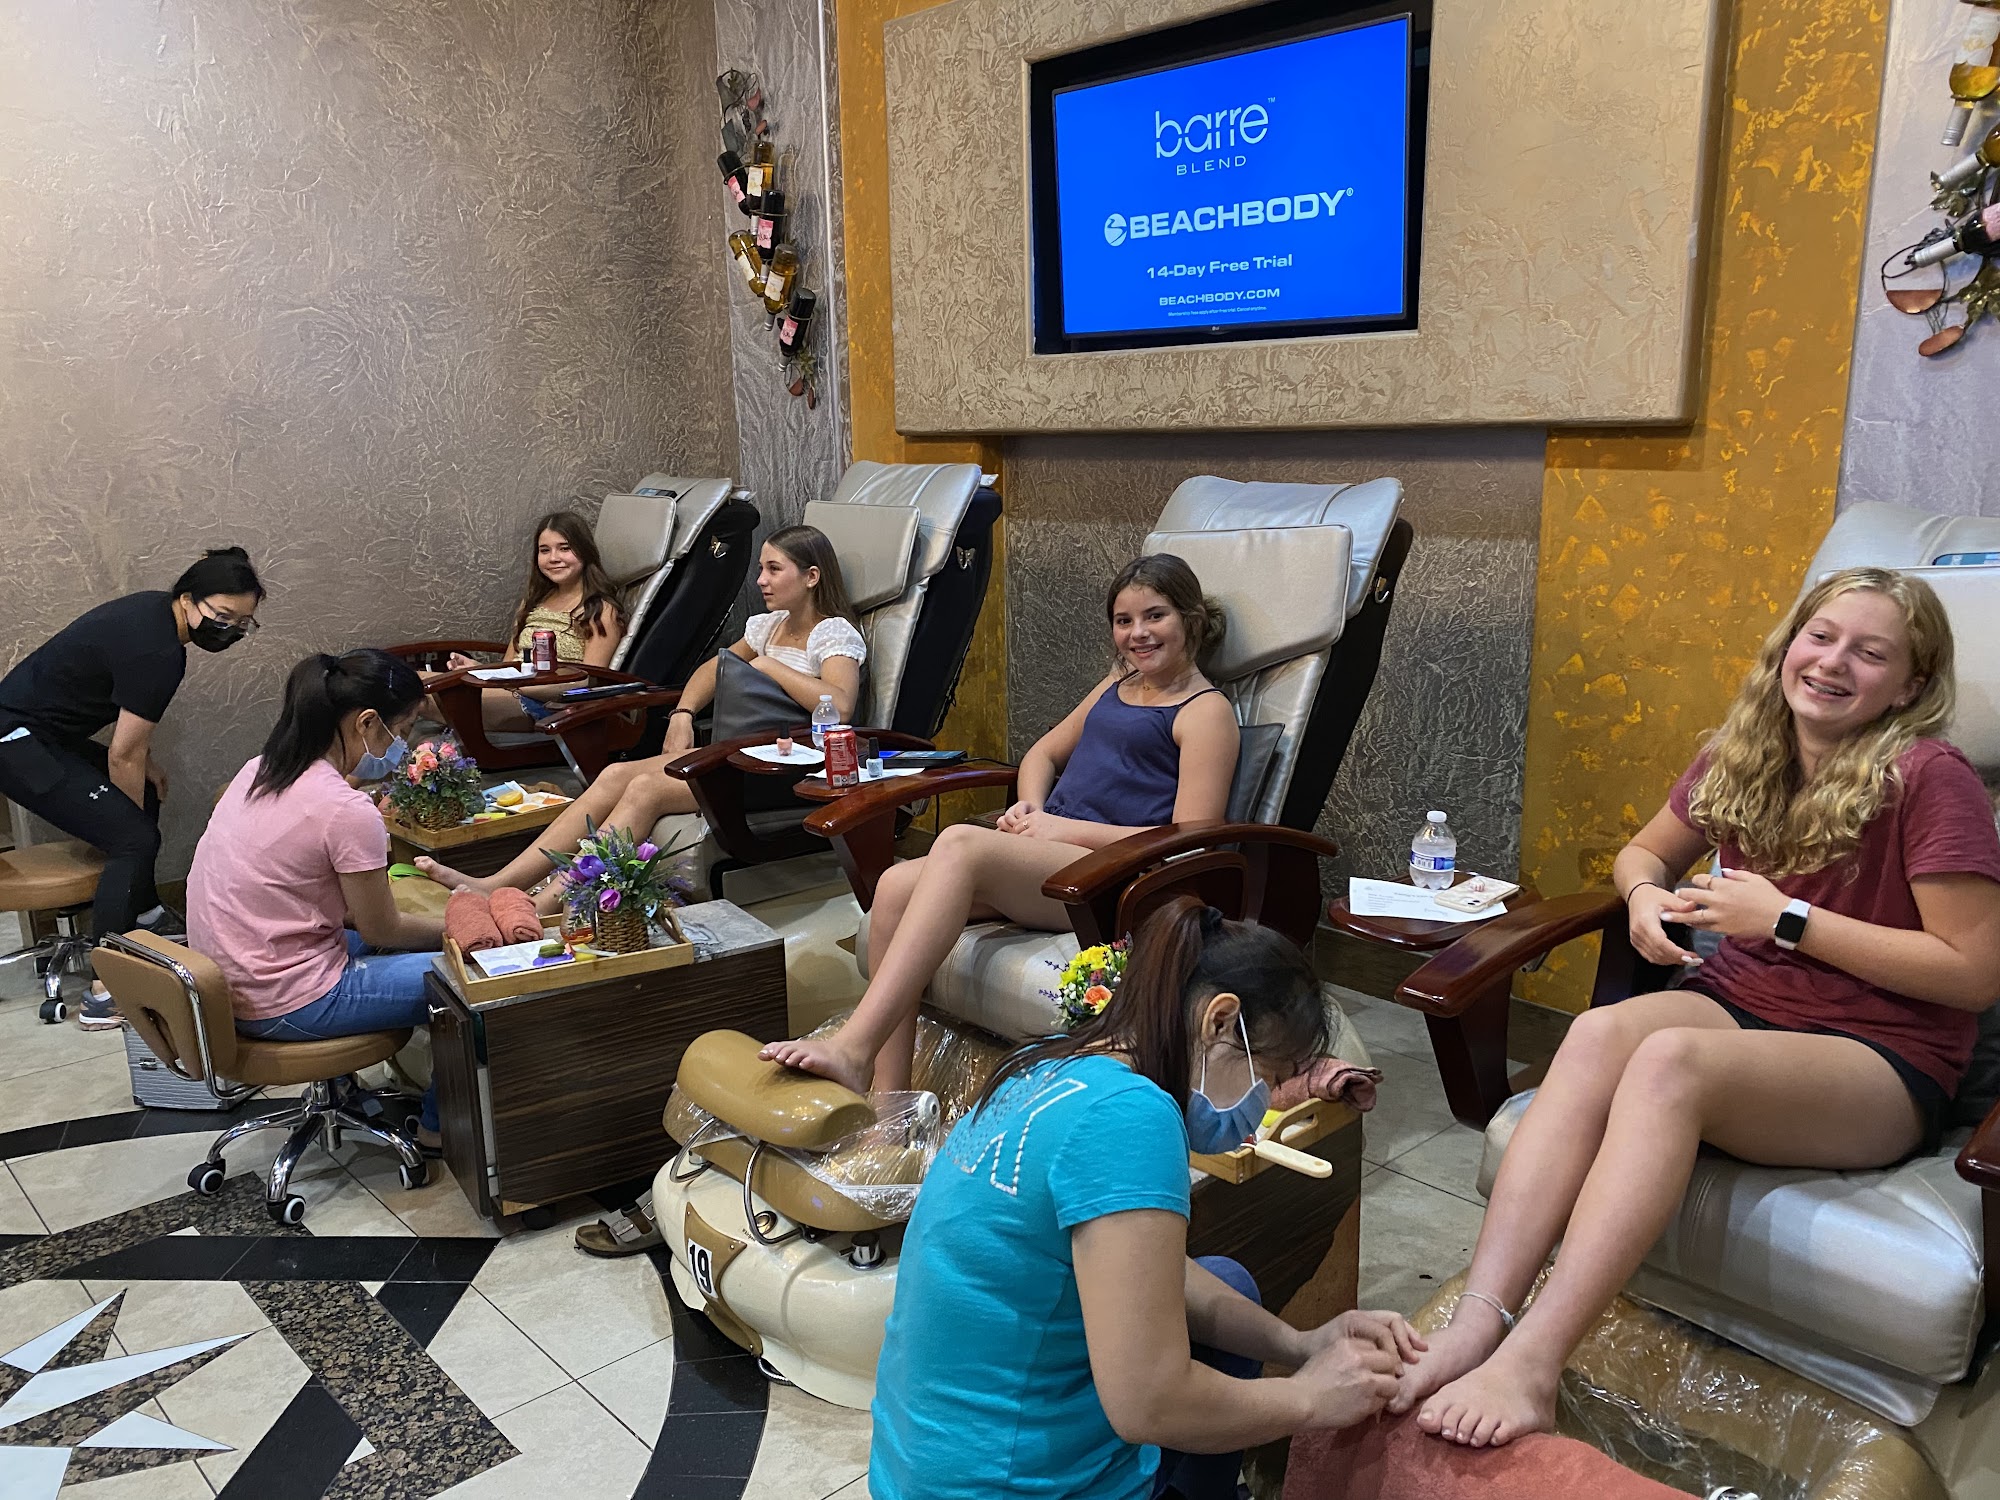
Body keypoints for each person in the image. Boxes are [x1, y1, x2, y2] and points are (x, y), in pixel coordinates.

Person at [1391, 566, 2000, 1449]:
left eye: (1871, 653)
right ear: (1790, 645)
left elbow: (1973, 972)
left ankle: (1533, 1364)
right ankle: (1480, 1321)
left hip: (1879, 1057)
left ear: (1910, 685)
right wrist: (1644, 897)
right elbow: (1642, 854)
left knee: (1670, 1064)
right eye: (1820, 636)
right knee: (1598, 1034)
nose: (1833, 662)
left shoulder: (1929, 777)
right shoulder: (1746, 750)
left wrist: (1787, 920)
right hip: (1742, 1007)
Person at [870, 896, 1425, 1500]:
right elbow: (1150, 1405)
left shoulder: (1046, 1063)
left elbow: (1148, 1275)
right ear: (1220, 1022)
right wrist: (1309, 1398)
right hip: (1003, 1486)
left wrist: (1301, 1344)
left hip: (918, 1469)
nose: (1264, 1100)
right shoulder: (1130, 1117)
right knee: (1185, 1374)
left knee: (1227, 1282)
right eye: (1269, 1076)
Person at [761, 553, 1242, 1094]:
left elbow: (1191, 840)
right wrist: (1033, 807)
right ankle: (888, 1102)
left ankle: (853, 1047)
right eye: (1123, 620)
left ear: (1190, 619)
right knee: (894, 885)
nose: (1138, 634)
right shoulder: (1118, 685)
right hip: (1053, 855)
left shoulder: (1205, 712)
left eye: (1155, 616)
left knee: (961, 844)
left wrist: (1065, 831)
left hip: (1116, 877)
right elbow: (1041, 754)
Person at [417, 524, 865, 909]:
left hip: (789, 769)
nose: (761, 580)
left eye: (774, 569)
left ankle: (546, 903)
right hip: (739, 752)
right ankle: (498, 883)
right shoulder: (768, 626)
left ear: (811, 576)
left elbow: (840, 705)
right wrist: (684, 714)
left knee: (647, 789)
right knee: (615, 774)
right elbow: (713, 670)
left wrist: (768, 666)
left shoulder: (832, 633)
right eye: (761, 568)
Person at [187, 650, 448, 1149]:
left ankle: (348, 1091)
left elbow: (338, 910)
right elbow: (381, 927)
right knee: (466, 977)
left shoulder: (258, 771)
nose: (403, 745)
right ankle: (442, 1129)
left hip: (225, 985)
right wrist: (460, 926)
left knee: (394, 945)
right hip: (284, 998)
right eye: (404, 729)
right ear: (367, 723)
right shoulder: (345, 810)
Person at [0, 547, 264, 1028]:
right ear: (189, 598)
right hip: (15, 743)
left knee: (142, 794)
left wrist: (146, 770)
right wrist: (128, 823)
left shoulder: (152, 611)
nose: (229, 630)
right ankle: (106, 990)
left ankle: (143, 916)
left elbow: (132, 741)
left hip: (41, 734)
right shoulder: (158, 654)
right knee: (134, 837)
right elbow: (122, 755)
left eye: (242, 623)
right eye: (223, 616)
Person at [427, 512, 626, 732]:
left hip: (546, 706)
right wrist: (477, 669)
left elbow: (589, 683)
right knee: (410, 679)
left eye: (564, 548)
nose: (553, 558)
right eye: (544, 550)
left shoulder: (599, 610)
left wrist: (517, 685)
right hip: (508, 689)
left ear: (585, 551)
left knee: (416, 695)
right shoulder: (533, 602)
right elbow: (509, 664)